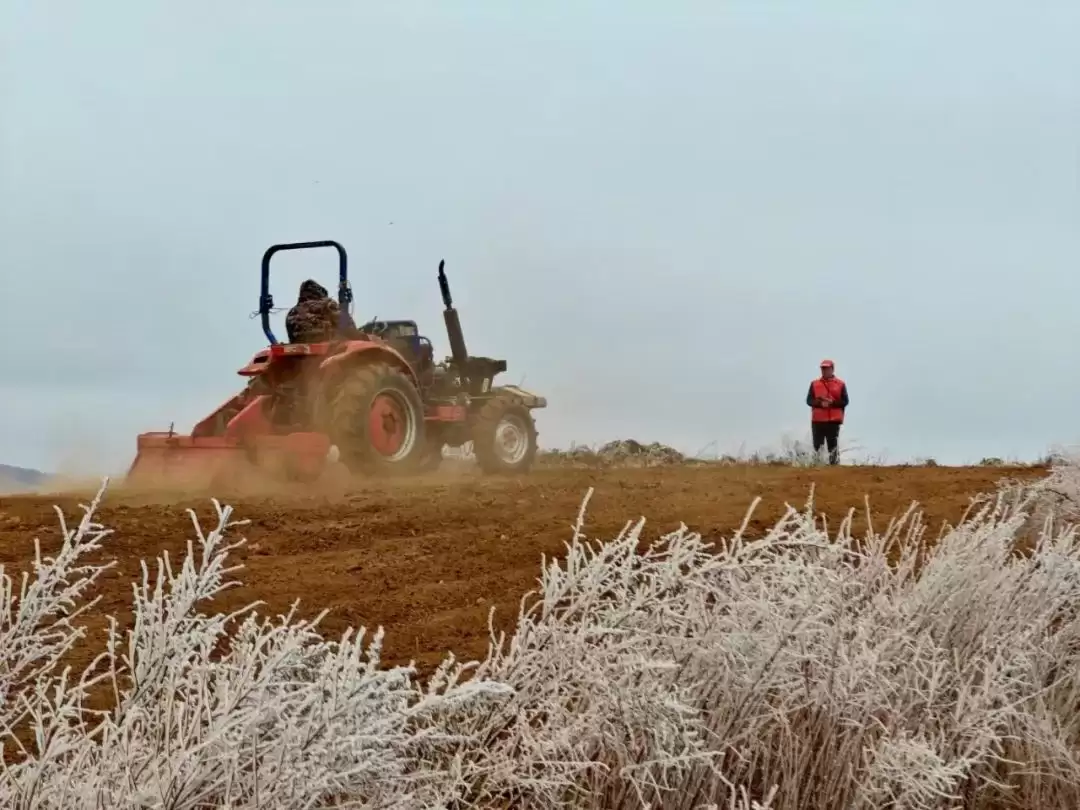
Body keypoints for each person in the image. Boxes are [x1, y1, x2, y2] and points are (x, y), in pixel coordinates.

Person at [285, 279, 358, 343]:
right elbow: (347, 325)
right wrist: (360, 337)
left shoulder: (292, 312)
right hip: (327, 345)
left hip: (299, 348)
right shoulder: (327, 304)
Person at [806, 359, 848, 465]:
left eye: (827, 368)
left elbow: (845, 401)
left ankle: (834, 467)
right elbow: (809, 400)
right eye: (822, 369)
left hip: (833, 421)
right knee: (817, 446)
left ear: (832, 369)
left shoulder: (840, 384)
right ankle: (817, 466)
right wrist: (820, 404)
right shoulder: (814, 384)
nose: (824, 371)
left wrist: (832, 403)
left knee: (832, 446)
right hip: (817, 420)